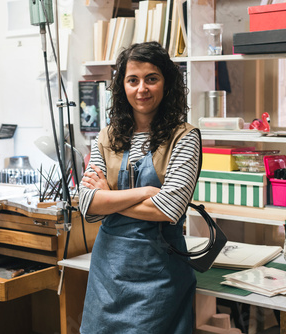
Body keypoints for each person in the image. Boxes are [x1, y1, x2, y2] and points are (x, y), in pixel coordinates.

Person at [79, 41, 202, 334]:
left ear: (167, 84)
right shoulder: (106, 136)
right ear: (122, 86)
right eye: (132, 80)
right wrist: (147, 193)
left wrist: (107, 196)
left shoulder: (184, 138)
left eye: (151, 79)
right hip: (107, 277)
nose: (141, 89)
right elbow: (87, 204)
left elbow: (169, 208)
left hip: (158, 280)